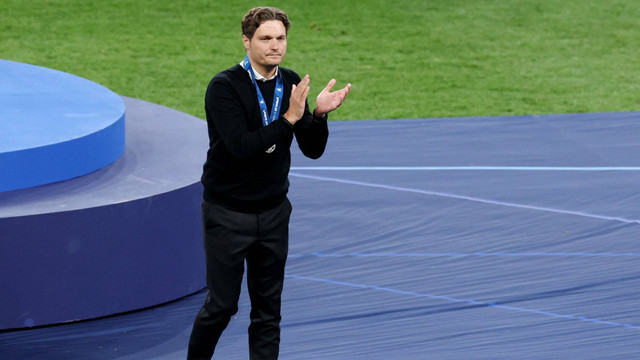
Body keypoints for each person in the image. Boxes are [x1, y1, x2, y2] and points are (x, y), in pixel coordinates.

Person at [187, 7, 351, 360]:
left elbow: (312, 148)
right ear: (247, 42)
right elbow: (241, 148)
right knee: (222, 307)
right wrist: (290, 117)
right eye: (266, 39)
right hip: (228, 214)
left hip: (274, 213)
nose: (275, 46)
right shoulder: (224, 87)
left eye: (280, 38)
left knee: (268, 313)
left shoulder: (290, 82)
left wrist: (318, 115)